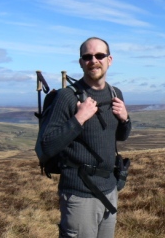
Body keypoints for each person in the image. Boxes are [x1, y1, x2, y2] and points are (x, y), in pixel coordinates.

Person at [41, 37, 131, 238]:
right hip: (79, 193)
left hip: (110, 189)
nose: (94, 60)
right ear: (81, 62)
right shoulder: (67, 97)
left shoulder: (116, 93)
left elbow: (121, 136)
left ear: (110, 59)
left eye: (100, 55)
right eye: (87, 56)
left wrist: (125, 119)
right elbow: (47, 145)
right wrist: (79, 118)